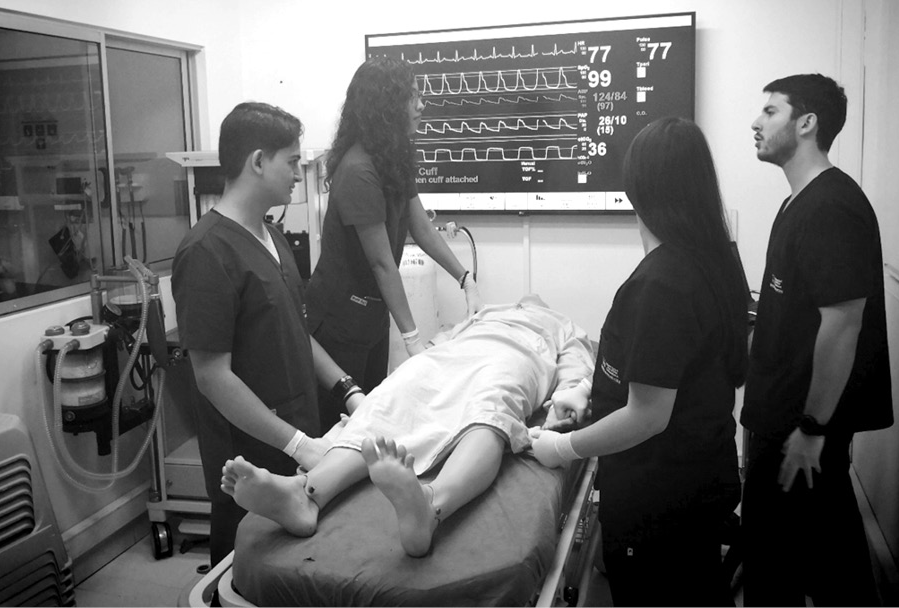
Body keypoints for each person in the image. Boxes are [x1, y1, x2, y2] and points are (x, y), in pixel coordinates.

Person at [529, 117, 750, 606]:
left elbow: (648, 416)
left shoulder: (661, 284)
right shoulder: (714, 258)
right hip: (695, 484)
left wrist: (564, 450)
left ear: (638, 186)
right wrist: (591, 396)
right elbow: (671, 373)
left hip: (660, 504)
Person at [220, 295, 596, 558]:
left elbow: (578, 371)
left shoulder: (562, 325)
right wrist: (417, 365)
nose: (530, 299)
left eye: (534, 300)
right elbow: (435, 344)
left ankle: (431, 506)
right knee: (388, 399)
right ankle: (308, 494)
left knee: (489, 409)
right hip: (448, 356)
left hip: (514, 356)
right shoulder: (481, 314)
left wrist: (569, 399)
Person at [171, 102, 363, 565]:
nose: (299, 174)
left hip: (300, 436)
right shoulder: (206, 252)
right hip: (249, 457)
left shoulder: (274, 238)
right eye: (293, 162)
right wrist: (295, 443)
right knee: (245, 573)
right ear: (258, 161)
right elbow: (212, 377)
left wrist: (348, 389)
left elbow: (297, 331)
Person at [741, 74, 892, 606]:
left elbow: (843, 325)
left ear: (807, 123)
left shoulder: (831, 207)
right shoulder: (798, 203)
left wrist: (811, 429)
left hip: (800, 431)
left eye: (771, 112)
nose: (756, 123)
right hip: (783, 421)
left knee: (817, 566)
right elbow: (803, 305)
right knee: (802, 554)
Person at [305, 56, 483, 430]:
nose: (422, 105)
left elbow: (420, 226)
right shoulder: (358, 170)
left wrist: (465, 279)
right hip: (338, 322)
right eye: (413, 97)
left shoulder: (395, 154)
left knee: (373, 415)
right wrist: (413, 339)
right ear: (387, 105)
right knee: (342, 425)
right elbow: (382, 263)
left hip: (369, 315)